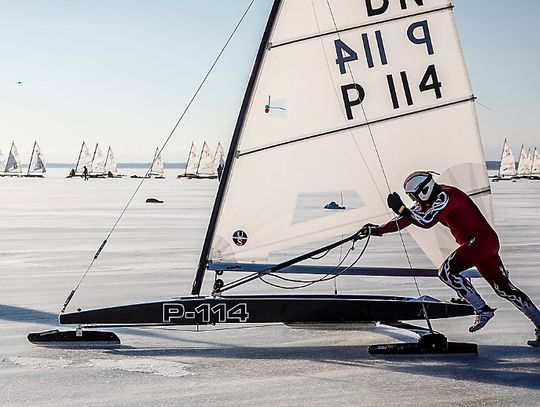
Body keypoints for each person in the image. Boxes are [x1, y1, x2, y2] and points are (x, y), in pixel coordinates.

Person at [361, 171, 540, 347]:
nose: (415, 201)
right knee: (504, 289)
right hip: (482, 243)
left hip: (480, 242)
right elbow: (406, 219)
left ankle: (482, 309)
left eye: (414, 196)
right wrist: (377, 230)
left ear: (424, 190)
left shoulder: (446, 196)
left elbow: (426, 221)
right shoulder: (431, 199)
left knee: (447, 272)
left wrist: (402, 209)